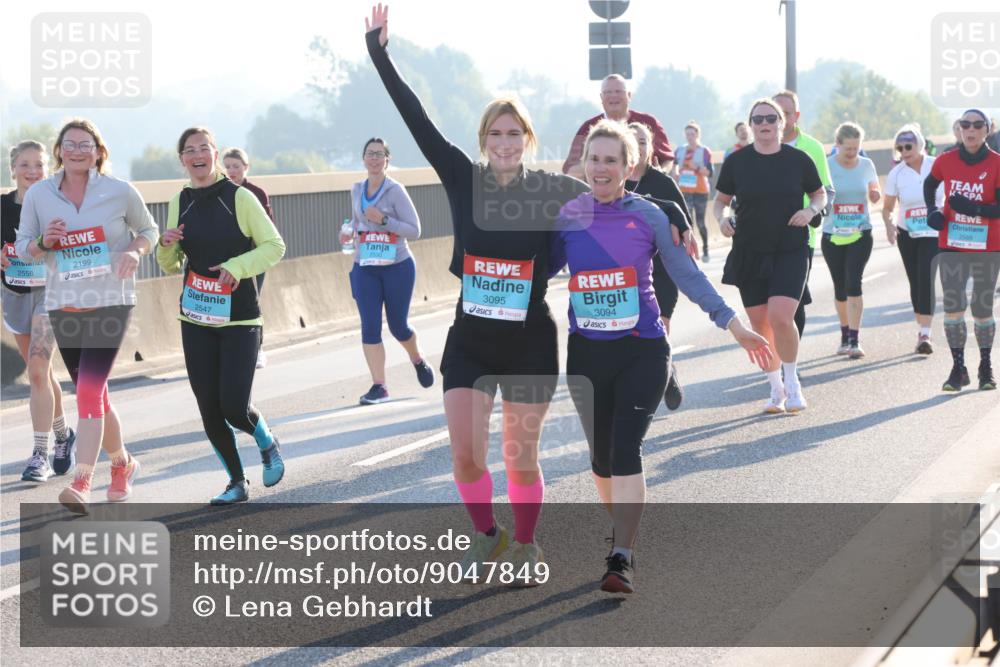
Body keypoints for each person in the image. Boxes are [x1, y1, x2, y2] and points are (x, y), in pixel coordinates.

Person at [366, 4, 590, 583]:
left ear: (528, 138)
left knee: (521, 457)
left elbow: (616, 197)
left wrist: (672, 219)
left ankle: (527, 544)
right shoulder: (463, 177)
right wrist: (379, 53)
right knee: (466, 454)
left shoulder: (554, 189)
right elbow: (415, 121)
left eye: (515, 133)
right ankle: (488, 537)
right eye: (496, 133)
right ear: (484, 139)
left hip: (529, 340)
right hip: (471, 336)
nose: (505, 142)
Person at [552, 119, 771, 593]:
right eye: (595, 159)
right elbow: (536, 271)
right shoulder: (568, 214)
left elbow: (687, 276)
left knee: (625, 448)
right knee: (600, 460)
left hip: (642, 350)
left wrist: (734, 324)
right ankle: (622, 533)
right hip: (587, 354)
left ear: (630, 166)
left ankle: (622, 555)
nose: (601, 168)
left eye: (612, 160)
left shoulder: (649, 216)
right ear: (583, 164)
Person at [15, 118, 158, 514]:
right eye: (70, 144)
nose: (78, 150)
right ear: (59, 150)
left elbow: (149, 230)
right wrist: (46, 242)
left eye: (86, 144)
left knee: (90, 394)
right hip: (64, 302)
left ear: (98, 151)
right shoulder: (40, 196)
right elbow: (26, 245)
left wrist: (134, 251)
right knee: (96, 397)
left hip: (111, 300)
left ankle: (82, 483)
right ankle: (122, 464)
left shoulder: (119, 191)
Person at [157, 127, 287, 504]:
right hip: (196, 315)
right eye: (189, 150)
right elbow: (171, 263)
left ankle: (265, 439)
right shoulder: (179, 200)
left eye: (203, 148)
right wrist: (165, 246)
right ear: (182, 159)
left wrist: (238, 266)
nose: (197, 155)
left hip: (240, 317)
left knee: (233, 405)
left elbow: (274, 246)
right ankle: (236, 482)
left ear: (214, 153)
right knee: (209, 407)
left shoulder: (240, 197)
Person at [714, 99, 827, 413]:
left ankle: (792, 383)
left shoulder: (799, 159)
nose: (764, 123)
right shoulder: (737, 162)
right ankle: (775, 388)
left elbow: (819, 194)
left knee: (781, 317)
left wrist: (810, 210)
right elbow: (720, 200)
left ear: (782, 123)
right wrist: (722, 219)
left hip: (790, 247)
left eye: (770, 118)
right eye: (758, 118)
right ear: (751, 125)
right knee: (760, 325)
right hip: (749, 250)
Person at [2, 140, 76, 482]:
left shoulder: (56, 204)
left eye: (39, 165)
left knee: (36, 371)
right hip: (15, 295)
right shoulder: (2, 206)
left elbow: (80, 244)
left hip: (51, 294)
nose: (32, 171)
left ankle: (39, 455)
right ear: (13, 169)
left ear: (49, 169)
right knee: (41, 376)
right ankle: (63, 435)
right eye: (25, 165)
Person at [341, 137, 434, 404]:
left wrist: (383, 220)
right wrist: (347, 234)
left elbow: (414, 230)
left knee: (398, 326)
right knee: (369, 327)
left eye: (379, 154)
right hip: (365, 266)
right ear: (363, 158)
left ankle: (417, 358)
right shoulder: (357, 189)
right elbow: (357, 224)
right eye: (369, 153)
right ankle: (379, 386)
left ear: (387, 160)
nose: (374, 158)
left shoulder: (395, 190)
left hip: (397, 267)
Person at [923, 108, 1000, 392]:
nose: (970, 129)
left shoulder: (996, 163)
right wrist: (932, 211)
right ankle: (958, 368)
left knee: (981, 310)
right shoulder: (946, 160)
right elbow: (930, 184)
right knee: (953, 309)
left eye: (977, 125)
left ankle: (985, 366)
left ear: (986, 130)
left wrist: (975, 208)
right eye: (965, 124)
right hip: (952, 244)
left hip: (987, 246)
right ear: (959, 128)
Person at [625, 121, 697, 411]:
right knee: (632, 333)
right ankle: (655, 374)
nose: (638, 146)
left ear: (650, 146)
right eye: (632, 141)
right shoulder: (613, 179)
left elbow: (682, 219)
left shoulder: (663, 182)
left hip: (661, 269)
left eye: (643, 141)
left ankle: (665, 375)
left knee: (659, 328)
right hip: (627, 271)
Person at [773, 90, 835, 340]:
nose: (780, 119)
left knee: (792, 302)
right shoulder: (759, 147)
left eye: (786, 113)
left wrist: (813, 212)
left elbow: (827, 191)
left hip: (800, 238)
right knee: (769, 305)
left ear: (796, 115)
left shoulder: (812, 147)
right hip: (763, 236)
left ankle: (790, 361)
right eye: (775, 113)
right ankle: (777, 364)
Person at [882, 124, 943, 354]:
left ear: (920, 145)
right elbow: (887, 207)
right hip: (907, 232)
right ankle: (922, 324)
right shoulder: (896, 173)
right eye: (900, 147)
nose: (904, 150)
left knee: (926, 276)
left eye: (908, 145)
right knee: (915, 280)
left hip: (933, 230)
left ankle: (925, 333)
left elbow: (951, 193)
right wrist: (889, 226)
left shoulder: (936, 165)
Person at [823, 122, 881, 358]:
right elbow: (817, 194)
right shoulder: (827, 166)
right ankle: (844, 335)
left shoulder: (866, 165)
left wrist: (875, 194)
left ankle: (855, 340)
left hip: (860, 233)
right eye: (847, 148)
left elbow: (874, 190)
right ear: (837, 145)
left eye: (856, 148)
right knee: (840, 287)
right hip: (833, 235)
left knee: (853, 282)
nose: (852, 153)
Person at [561, 74, 674, 178]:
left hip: (646, 193)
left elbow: (668, 160)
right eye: (608, 92)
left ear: (629, 95)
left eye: (618, 91)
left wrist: (660, 173)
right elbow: (570, 171)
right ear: (601, 97)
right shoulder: (588, 128)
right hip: (602, 194)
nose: (613, 96)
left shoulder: (649, 123)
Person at [223, 147, 273, 369]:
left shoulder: (256, 193)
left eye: (236, 166)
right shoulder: (219, 191)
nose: (231, 171)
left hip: (253, 258)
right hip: (227, 260)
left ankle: (258, 348)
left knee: (252, 303)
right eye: (227, 167)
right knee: (226, 305)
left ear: (246, 168)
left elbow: (267, 230)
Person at [673, 121, 715, 262]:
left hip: (701, 191)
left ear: (698, 134)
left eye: (692, 134)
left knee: (700, 222)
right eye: (687, 134)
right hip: (684, 190)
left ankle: (705, 249)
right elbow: (674, 167)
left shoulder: (704, 151)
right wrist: (675, 174)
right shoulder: (679, 150)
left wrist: (695, 167)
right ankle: (689, 251)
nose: (690, 137)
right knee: (687, 221)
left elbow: (710, 173)